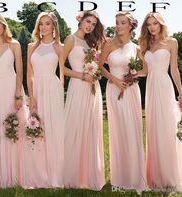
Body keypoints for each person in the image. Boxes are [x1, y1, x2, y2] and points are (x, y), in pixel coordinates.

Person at [99, 12, 147, 193]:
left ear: (130, 26)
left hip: (131, 91)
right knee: (118, 131)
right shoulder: (108, 45)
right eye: (117, 22)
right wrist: (115, 79)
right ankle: (120, 177)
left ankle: (136, 177)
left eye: (122, 23)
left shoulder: (136, 48)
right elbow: (100, 66)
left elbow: (145, 70)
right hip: (113, 89)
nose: (118, 26)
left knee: (132, 130)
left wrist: (132, 76)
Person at [138, 12, 182, 191]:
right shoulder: (145, 44)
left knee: (168, 128)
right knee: (154, 130)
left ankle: (171, 177)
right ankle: (156, 177)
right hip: (151, 89)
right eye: (149, 24)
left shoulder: (172, 42)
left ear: (161, 24)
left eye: (154, 23)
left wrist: (181, 92)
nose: (152, 27)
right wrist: (130, 75)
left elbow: (174, 70)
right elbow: (145, 71)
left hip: (164, 87)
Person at [63, 11, 105, 191]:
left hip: (93, 89)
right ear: (80, 20)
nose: (90, 26)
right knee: (75, 127)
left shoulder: (92, 42)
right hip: (78, 87)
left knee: (91, 128)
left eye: (94, 24)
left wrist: (95, 74)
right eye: (88, 21)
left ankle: (89, 175)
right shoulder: (70, 39)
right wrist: (82, 76)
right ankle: (71, 176)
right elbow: (61, 68)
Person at [22, 11, 65, 188]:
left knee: (52, 130)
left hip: (52, 89)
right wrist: (31, 97)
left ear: (54, 26)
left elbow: (62, 73)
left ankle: (55, 175)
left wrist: (60, 92)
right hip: (37, 90)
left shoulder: (59, 47)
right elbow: (28, 74)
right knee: (36, 130)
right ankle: (38, 174)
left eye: (48, 23)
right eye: (41, 24)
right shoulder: (32, 46)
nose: (44, 27)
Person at [0, 14, 25, 187]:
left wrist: (17, 94)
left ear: (3, 24)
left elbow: (20, 70)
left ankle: (18, 174)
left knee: (16, 128)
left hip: (12, 87)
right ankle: (1, 176)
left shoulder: (14, 44)